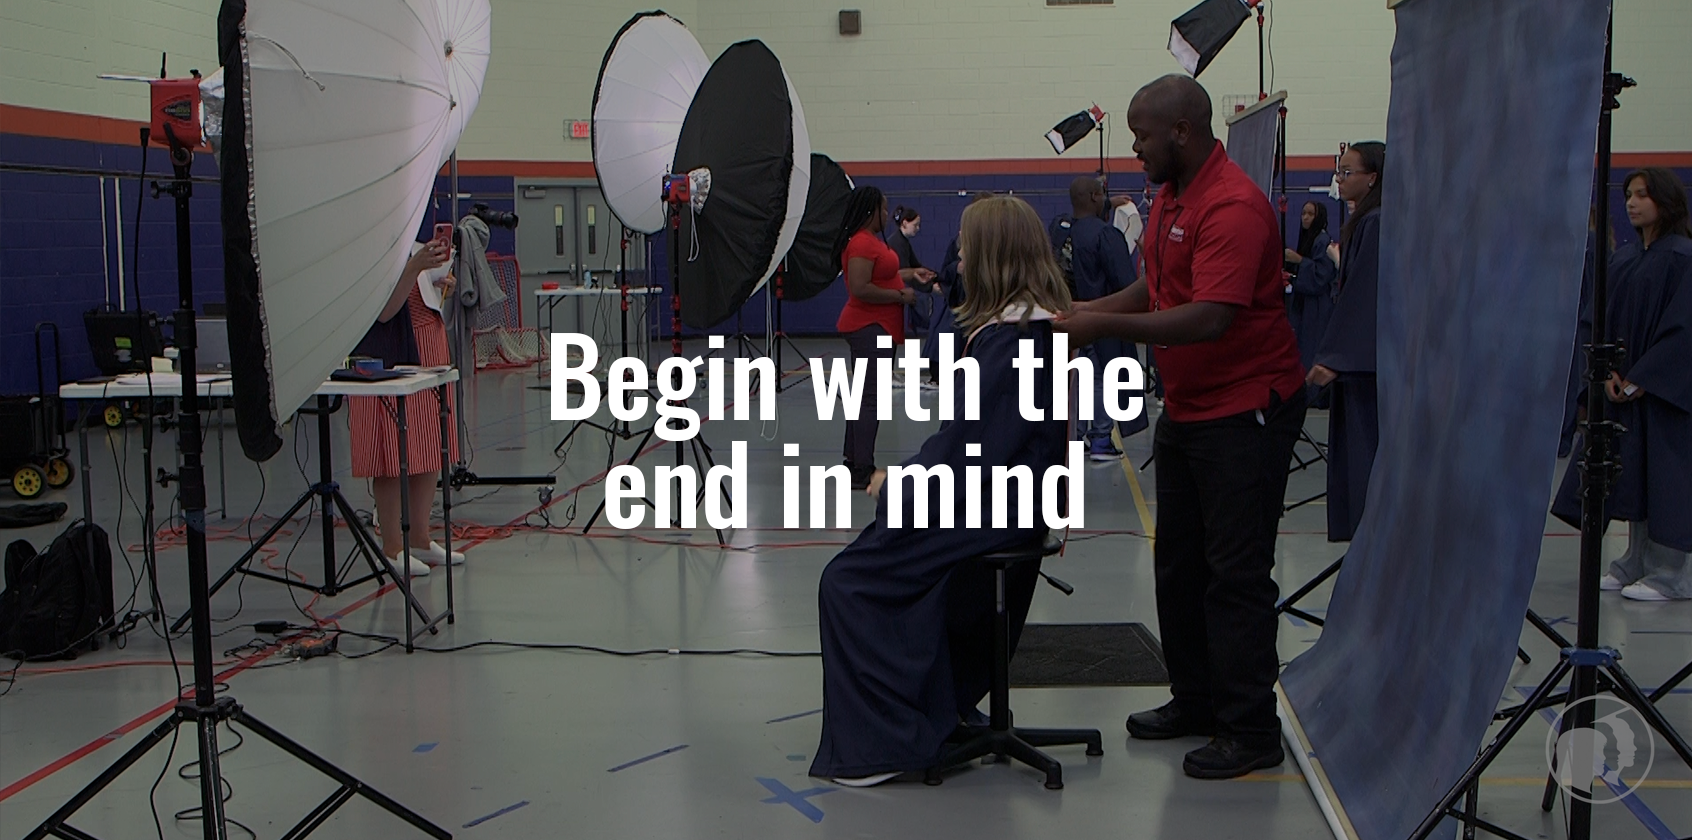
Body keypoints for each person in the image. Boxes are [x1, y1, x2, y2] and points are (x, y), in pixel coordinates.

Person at [1055, 74, 1306, 780]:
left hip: (1245, 410)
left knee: (1235, 573)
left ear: (1182, 133)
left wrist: (1101, 325)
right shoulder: (1172, 196)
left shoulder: (1233, 208)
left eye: (1141, 135)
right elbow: (1161, 290)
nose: (1133, 149)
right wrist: (1089, 311)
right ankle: (1197, 700)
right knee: (1180, 566)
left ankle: (1250, 727)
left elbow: (1209, 316)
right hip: (1191, 410)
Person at [811, 195, 1072, 787]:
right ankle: (941, 706)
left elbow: (968, 451)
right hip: (1010, 497)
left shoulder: (1012, 341)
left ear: (994, 254)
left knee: (847, 581)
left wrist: (896, 484)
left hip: (996, 507)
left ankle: (881, 745)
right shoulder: (1030, 325)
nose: (959, 252)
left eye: (967, 242)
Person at [1551, 167, 1692, 601]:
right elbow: (1598, 320)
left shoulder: (1683, 257)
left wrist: (1644, 378)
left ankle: (1672, 573)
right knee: (1630, 474)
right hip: (1624, 388)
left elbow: (1683, 329)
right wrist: (1608, 373)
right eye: (1629, 194)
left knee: (1667, 478)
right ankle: (1633, 561)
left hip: (1663, 394)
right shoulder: (1625, 259)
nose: (1631, 203)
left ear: (1665, 201)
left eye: (1642, 195)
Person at [348, 237, 466, 576]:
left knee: (430, 444)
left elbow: (417, 293)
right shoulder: (372, 249)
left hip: (430, 343)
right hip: (392, 349)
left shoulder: (410, 244)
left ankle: (419, 536)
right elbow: (385, 311)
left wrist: (437, 282)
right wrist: (415, 268)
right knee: (390, 451)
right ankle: (391, 546)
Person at [1307, 142, 1385, 543]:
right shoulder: (1363, 223)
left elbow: (1365, 294)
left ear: (1373, 177)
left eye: (1348, 172)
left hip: (1364, 368)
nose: (1340, 179)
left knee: (1365, 457)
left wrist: (1337, 355)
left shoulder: (1376, 224)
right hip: (1360, 362)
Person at [834, 187, 936, 489]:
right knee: (870, 400)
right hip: (870, 327)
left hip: (877, 327)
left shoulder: (868, 242)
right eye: (883, 209)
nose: (886, 215)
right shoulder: (863, 243)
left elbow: (881, 274)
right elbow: (860, 287)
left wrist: (910, 274)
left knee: (863, 397)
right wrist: (899, 296)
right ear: (871, 212)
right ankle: (862, 468)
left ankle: (853, 460)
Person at [1050, 176, 1149, 460]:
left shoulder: (1059, 230)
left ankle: (1077, 434)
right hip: (1100, 318)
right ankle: (1101, 440)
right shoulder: (1106, 236)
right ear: (1095, 196)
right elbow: (1126, 284)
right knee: (1103, 379)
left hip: (1065, 318)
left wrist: (1109, 202)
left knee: (1073, 378)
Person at [1284, 201, 1337, 387]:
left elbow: (1321, 275)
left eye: (1310, 214)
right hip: (1306, 305)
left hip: (1317, 307)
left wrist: (1299, 261)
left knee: (1312, 347)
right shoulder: (1308, 238)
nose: (1305, 218)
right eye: (1303, 213)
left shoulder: (1322, 241)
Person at [886, 205, 940, 385]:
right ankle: (886, 373)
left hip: (898, 296)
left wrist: (933, 277)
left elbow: (915, 266)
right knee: (890, 335)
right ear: (904, 223)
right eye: (915, 225)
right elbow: (904, 272)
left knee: (893, 334)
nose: (918, 229)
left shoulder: (903, 243)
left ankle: (888, 371)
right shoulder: (897, 243)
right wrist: (930, 286)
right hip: (893, 296)